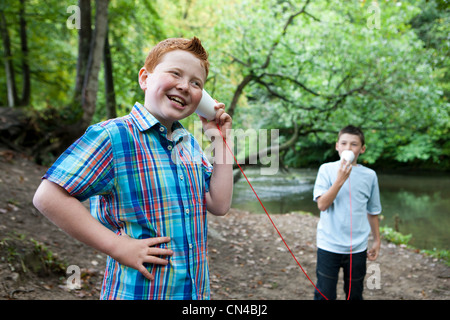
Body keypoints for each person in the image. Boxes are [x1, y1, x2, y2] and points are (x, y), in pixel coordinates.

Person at [33, 37, 233, 300]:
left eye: (197, 83)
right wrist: (117, 246)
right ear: (145, 78)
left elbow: (218, 203)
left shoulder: (189, 144)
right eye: (175, 73)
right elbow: (47, 197)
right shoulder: (113, 136)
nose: (185, 86)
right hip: (138, 292)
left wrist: (221, 141)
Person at [312, 125, 381, 300]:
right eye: (344, 143)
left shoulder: (370, 175)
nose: (348, 148)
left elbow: (373, 211)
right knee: (324, 294)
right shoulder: (326, 170)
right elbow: (322, 205)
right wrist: (340, 180)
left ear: (362, 149)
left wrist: (377, 240)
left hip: (357, 248)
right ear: (337, 146)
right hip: (328, 245)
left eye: (354, 144)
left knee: (354, 294)